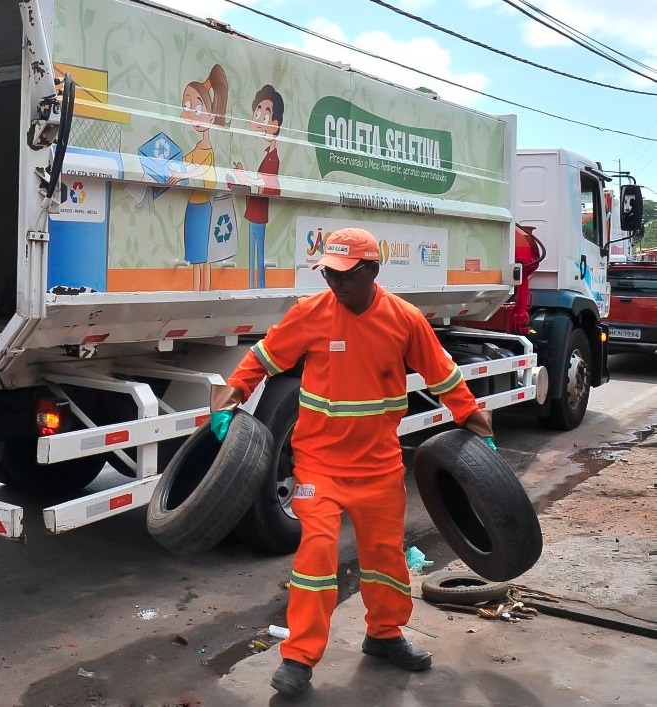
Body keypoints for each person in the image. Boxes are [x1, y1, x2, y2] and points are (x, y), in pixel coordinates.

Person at [209, 228, 494, 697]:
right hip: (319, 465)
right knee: (316, 558)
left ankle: (384, 635)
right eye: (327, 273)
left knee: (385, 560)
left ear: (372, 271)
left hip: (379, 466)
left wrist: (476, 422)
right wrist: (228, 402)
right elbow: (262, 359)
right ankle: (299, 657)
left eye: (344, 275)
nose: (334, 283)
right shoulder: (310, 314)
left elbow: (442, 373)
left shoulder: (404, 319)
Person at [167, 64, 230, 292]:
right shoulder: (197, 146)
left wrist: (181, 173)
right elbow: (186, 163)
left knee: (202, 255)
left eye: (195, 106)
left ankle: (201, 291)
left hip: (202, 206)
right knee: (195, 255)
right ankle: (197, 291)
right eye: (186, 105)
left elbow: (200, 170)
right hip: (194, 205)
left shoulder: (206, 148)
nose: (189, 112)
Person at [230, 84, 284, 289]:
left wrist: (243, 176)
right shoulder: (267, 154)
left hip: (258, 215)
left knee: (258, 257)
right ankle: (254, 288)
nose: (258, 119)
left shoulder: (272, 158)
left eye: (264, 115)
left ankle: (257, 288)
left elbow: (264, 182)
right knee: (254, 257)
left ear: (276, 124)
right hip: (254, 214)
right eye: (257, 113)